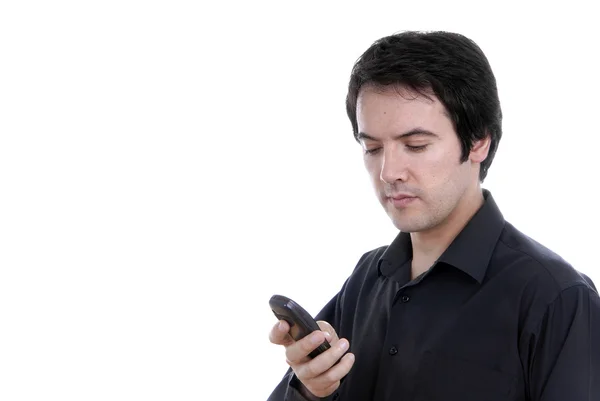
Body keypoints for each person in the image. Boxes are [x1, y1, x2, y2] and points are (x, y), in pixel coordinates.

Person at [266, 30, 600, 401]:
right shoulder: (365, 280)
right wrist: (312, 390)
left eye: (416, 145)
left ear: (478, 142)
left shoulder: (557, 298)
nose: (388, 172)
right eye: (372, 147)